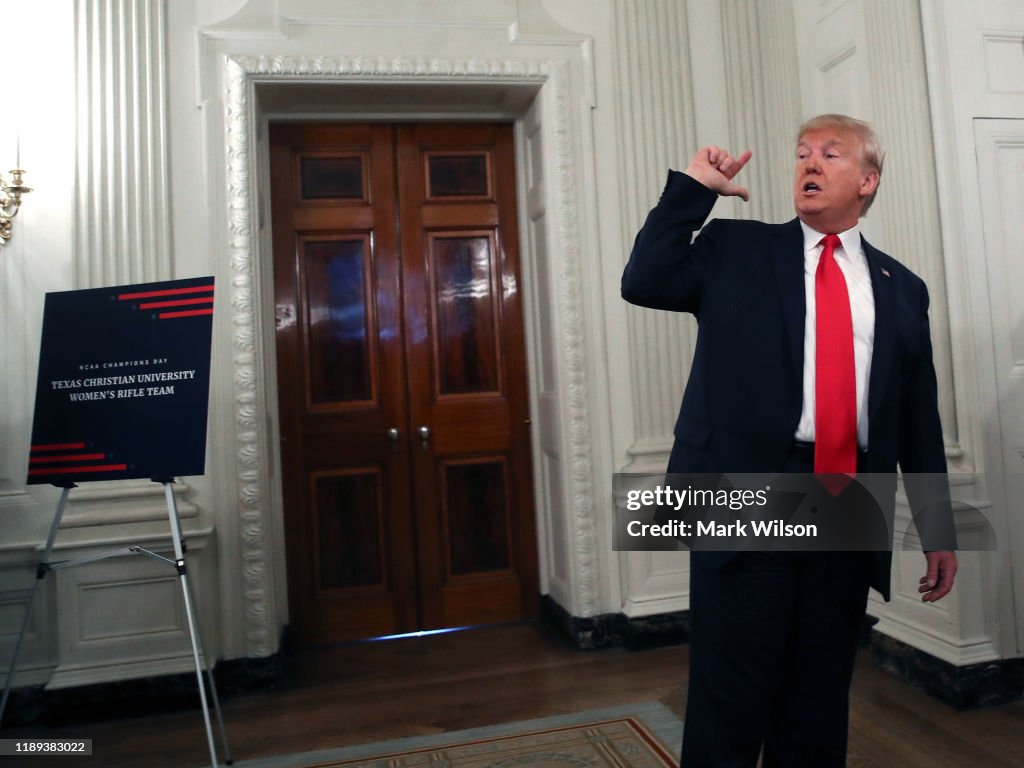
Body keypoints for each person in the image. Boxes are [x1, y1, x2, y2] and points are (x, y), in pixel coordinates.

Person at [620, 114, 957, 767]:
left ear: (867, 180)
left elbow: (918, 416)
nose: (809, 163)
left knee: (817, 700)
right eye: (802, 153)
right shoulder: (735, 249)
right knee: (731, 699)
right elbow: (645, 280)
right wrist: (694, 190)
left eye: (830, 154)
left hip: (846, 501)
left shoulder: (902, 288)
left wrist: (937, 527)